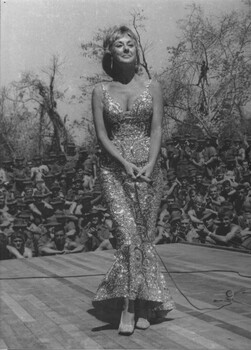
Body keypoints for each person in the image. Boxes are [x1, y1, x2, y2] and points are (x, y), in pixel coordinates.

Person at [91, 25, 174, 335]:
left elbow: (156, 130)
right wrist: (124, 163)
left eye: (130, 44)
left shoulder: (153, 86)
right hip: (115, 171)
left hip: (148, 172)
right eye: (119, 45)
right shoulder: (100, 90)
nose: (125, 48)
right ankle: (128, 305)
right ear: (110, 52)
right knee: (128, 237)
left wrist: (150, 165)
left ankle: (143, 305)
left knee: (143, 239)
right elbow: (102, 135)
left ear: (136, 49)